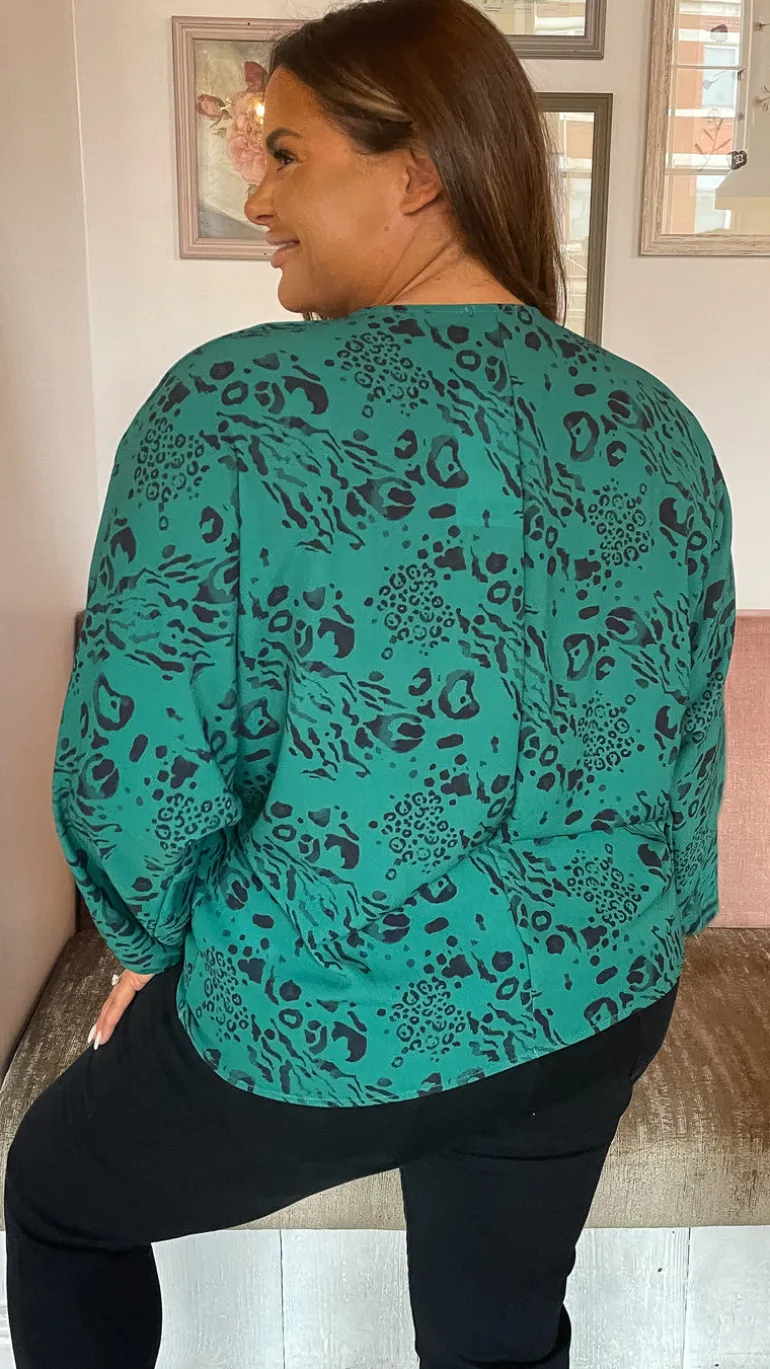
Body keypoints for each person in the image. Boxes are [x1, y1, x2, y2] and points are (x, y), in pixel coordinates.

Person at [3, 0, 736, 1365]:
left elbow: (135, 757)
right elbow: (686, 741)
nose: (255, 195)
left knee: (55, 1199)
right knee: (494, 1336)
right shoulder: (656, 425)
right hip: (596, 998)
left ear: (418, 173)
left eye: (285, 153)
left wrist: (150, 952)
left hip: (332, 1008)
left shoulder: (233, 406)